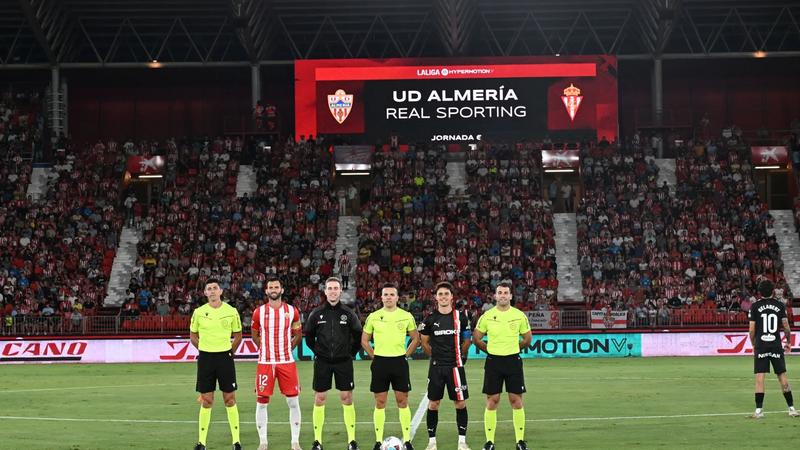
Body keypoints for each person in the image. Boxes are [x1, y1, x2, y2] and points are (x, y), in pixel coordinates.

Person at [472, 282, 532, 450]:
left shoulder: (519, 315)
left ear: (511, 296)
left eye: (506, 292)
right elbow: (477, 338)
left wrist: (513, 349)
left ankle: (520, 441)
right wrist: (490, 349)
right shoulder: (487, 315)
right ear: (495, 296)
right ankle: (489, 442)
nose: (503, 295)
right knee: (492, 400)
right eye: (500, 292)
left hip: (513, 361)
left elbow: (527, 339)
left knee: (516, 400)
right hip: (493, 362)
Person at [305, 277, 363, 450]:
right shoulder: (316, 313)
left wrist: (350, 354)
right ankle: (317, 441)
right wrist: (319, 353)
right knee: (320, 398)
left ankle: (352, 441)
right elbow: (308, 337)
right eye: (329, 288)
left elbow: (358, 336)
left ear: (340, 291)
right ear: (325, 291)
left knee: (346, 397)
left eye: (335, 288)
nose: (332, 291)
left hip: (343, 362)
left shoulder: (348, 313)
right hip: (322, 362)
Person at [361, 283, 420, 450]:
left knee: (402, 400)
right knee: (380, 402)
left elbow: (415, 338)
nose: (388, 297)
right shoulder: (373, 316)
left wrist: (405, 355)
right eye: (385, 294)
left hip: (399, 362)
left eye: (391, 294)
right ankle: (378, 441)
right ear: (381, 297)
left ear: (396, 297)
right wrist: (375, 356)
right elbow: (364, 340)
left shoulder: (406, 316)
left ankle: (407, 440)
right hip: (380, 363)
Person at [189, 278, 243, 450]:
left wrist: (229, 352)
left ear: (221, 291)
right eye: (209, 289)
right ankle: (201, 442)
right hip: (206, 359)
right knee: (206, 400)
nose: (212, 291)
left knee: (229, 399)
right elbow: (193, 336)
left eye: (215, 288)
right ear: (205, 293)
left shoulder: (231, 311)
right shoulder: (198, 312)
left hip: (224, 358)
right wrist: (204, 350)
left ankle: (236, 441)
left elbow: (238, 335)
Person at [251, 276, 304, 450]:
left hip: (286, 362)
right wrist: (264, 349)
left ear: (281, 290)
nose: (273, 289)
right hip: (265, 363)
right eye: (270, 287)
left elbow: (298, 334)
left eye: (276, 287)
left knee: (293, 402)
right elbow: (254, 334)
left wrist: (289, 347)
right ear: (266, 291)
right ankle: (263, 442)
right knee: (262, 402)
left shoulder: (292, 311)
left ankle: (295, 441)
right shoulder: (259, 312)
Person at [420, 282, 472, 450]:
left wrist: (460, 356)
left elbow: (467, 340)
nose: (443, 297)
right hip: (436, 368)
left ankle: (462, 442)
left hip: (455, 367)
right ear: (436, 297)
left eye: (446, 294)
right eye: (440, 294)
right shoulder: (430, 318)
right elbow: (424, 341)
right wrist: (434, 356)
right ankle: (432, 442)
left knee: (460, 404)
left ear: (451, 297)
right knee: (433, 403)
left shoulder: (461, 317)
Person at [748, 280, 798, 418]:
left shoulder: (755, 306)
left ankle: (759, 411)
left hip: (761, 345)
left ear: (759, 292)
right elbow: (786, 327)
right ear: (773, 292)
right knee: (782, 375)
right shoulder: (779, 305)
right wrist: (788, 342)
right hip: (775, 345)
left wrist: (753, 343)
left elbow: (751, 330)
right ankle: (792, 408)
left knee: (760, 377)